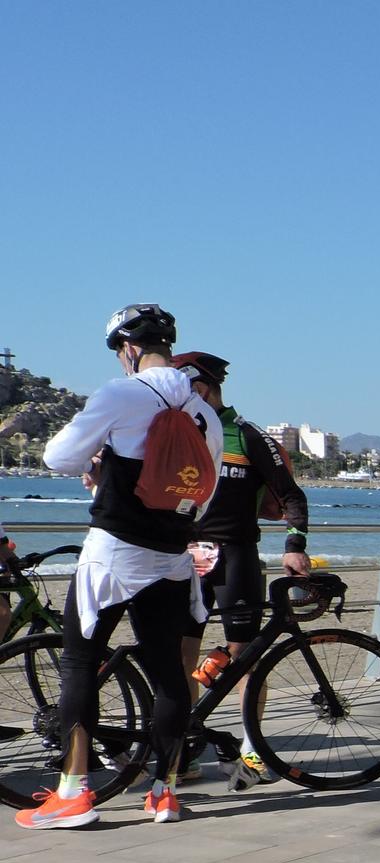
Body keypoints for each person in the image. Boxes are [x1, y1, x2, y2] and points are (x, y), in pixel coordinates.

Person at [17, 305, 222, 829]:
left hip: (113, 553)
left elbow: (58, 457)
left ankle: (73, 793)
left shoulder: (121, 392)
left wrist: (98, 464)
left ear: (128, 348)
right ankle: (165, 792)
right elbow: (202, 494)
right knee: (169, 673)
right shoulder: (206, 414)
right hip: (171, 558)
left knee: (79, 662)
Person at [170, 353, 311, 779]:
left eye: (183, 389)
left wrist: (294, 545)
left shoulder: (246, 434)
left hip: (236, 556)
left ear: (202, 388)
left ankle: (253, 752)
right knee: (180, 656)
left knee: (244, 656)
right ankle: (185, 749)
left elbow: (292, 496)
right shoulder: (174, 434)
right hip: (183, 557)